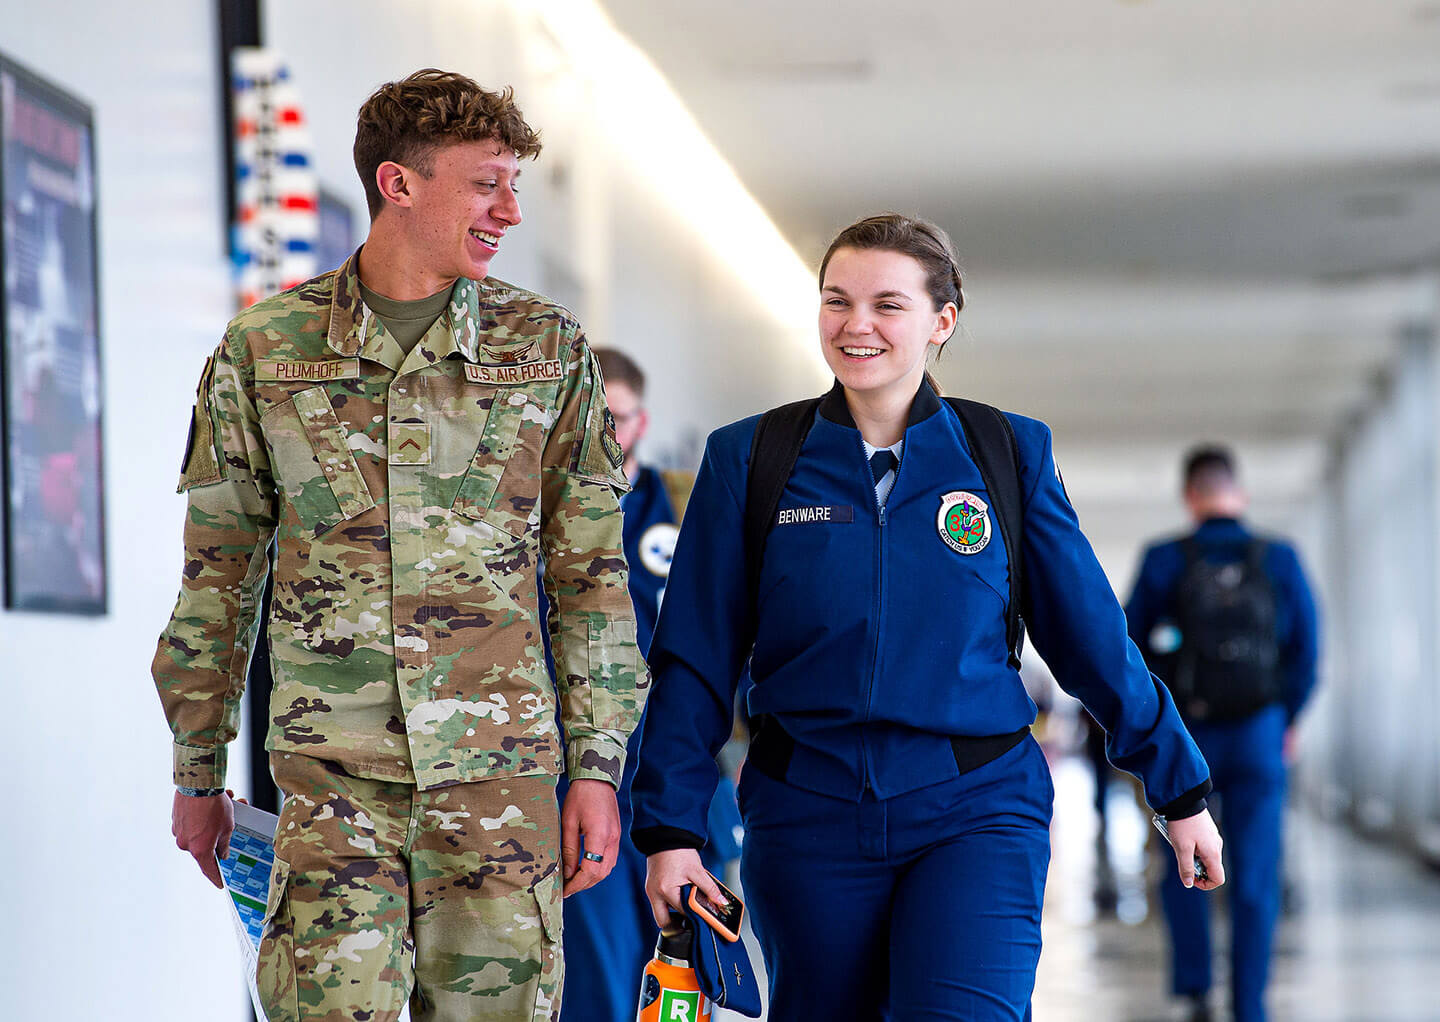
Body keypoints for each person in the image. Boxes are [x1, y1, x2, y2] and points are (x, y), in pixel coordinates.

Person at [629, 213, 1225, 1020]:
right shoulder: (752, 459)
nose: (856, 325)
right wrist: (670, 829)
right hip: (808, 816)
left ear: (943, 320)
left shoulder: (1006, 454)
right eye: (836, 301)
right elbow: (695, 658)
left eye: (887, 304)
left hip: (974, 807)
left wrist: (1178, 788)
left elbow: (1091, 640)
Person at [150, 69, 646, 1022]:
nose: (507, 209)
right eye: (486, 182)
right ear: (399, 184)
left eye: (513, 184)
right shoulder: (266, 350)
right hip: (331, 788)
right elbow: (218, 575)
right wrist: (197, 769)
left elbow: (590, 580)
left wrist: (597, 767)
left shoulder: (547, 349)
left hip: (499, 786)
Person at [558, 347, 743, 1021]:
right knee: (601, 970)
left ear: (641, 423)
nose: (600, 433)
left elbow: (736, 636)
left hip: (679, 770)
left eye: (614, 417)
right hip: (582, 774)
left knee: (684, 965)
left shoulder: (688, 509)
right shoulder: (534, 515)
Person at [1125, 445, 1319, 1022]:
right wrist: (1288, 718)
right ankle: (1250, 1003)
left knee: (1186, 854)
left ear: (1191, 497)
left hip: (1188, 737)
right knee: (1257, 869)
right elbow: (1307, 651)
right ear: (1240, 493)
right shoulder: (1279, 558)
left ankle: (1194, 988)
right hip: (1261, 731)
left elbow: (1127, 650)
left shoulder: (1165, 559)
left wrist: (1153, 728)